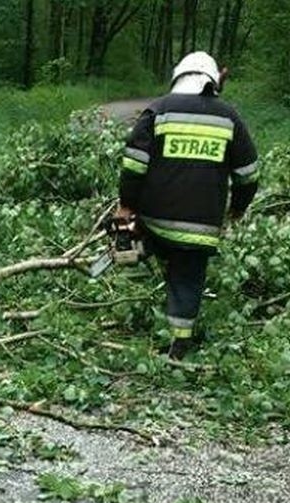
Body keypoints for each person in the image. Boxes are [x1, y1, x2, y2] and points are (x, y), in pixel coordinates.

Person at [117, 51, 259, 360]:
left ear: (178, 77)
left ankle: (142, 250)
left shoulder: (158, 110)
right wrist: (238, 208)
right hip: (202, 226)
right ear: (212, 80)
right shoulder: (228, 116)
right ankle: (179, 343)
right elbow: (248, 175)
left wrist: (126, 206)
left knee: (152, 238)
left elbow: (134, 165)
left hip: (155, 218)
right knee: (188, 278)